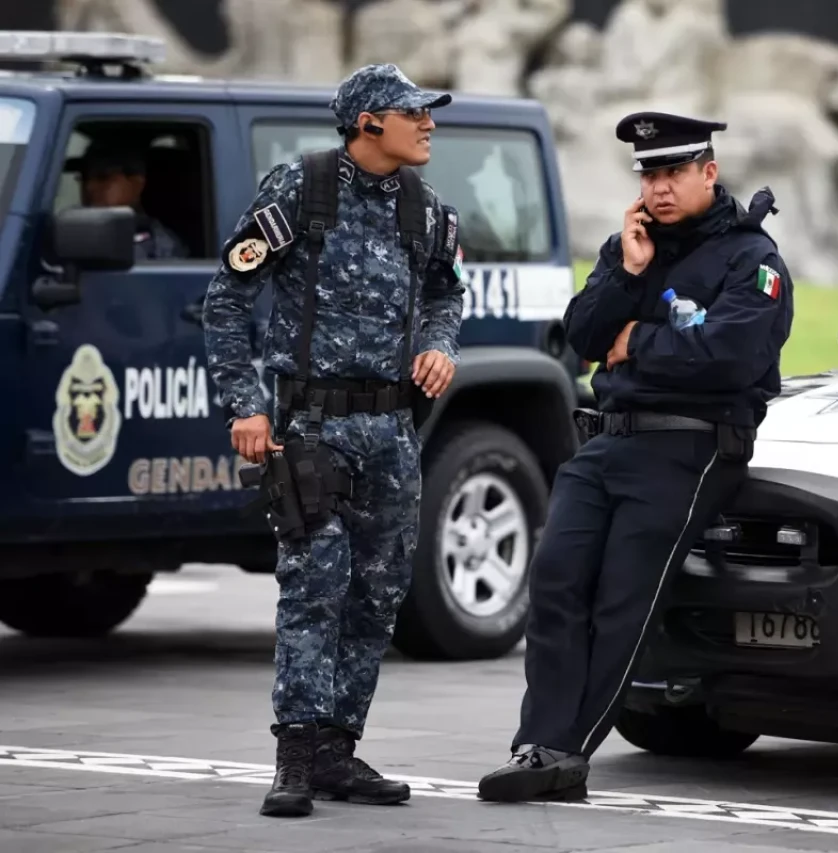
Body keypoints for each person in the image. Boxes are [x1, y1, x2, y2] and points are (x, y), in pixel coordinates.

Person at [477, 112, 795, 803]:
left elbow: (730, 356)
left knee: (623, 600)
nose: (660, 187)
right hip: (606, 440)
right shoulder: (631, 247)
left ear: (709, 171)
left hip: (690, 443)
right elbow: (581, 334)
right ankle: (539, 742)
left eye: (674, 171)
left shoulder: (753, 260)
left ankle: (565, 750)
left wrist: (636, 345)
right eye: (649, 174)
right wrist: (628, 273)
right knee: (557, 581)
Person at [202, 63, 465, 818]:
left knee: (379, 595)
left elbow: (448, 290)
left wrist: (440, 342)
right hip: (311, 426)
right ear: (369, 122)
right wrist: (246, 406)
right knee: (314, 590)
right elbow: (227, 295)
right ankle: (294, 755)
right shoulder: (301, 189)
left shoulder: (426, 206)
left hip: (391, 430)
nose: (429, 125)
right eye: (414, 113)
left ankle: (337, 751)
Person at [71, 140, 189, 260]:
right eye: (84, 178)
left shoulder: (160, 246)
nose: (89, 186)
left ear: (136, 183)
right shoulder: (70, 231)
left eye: (103, 177)